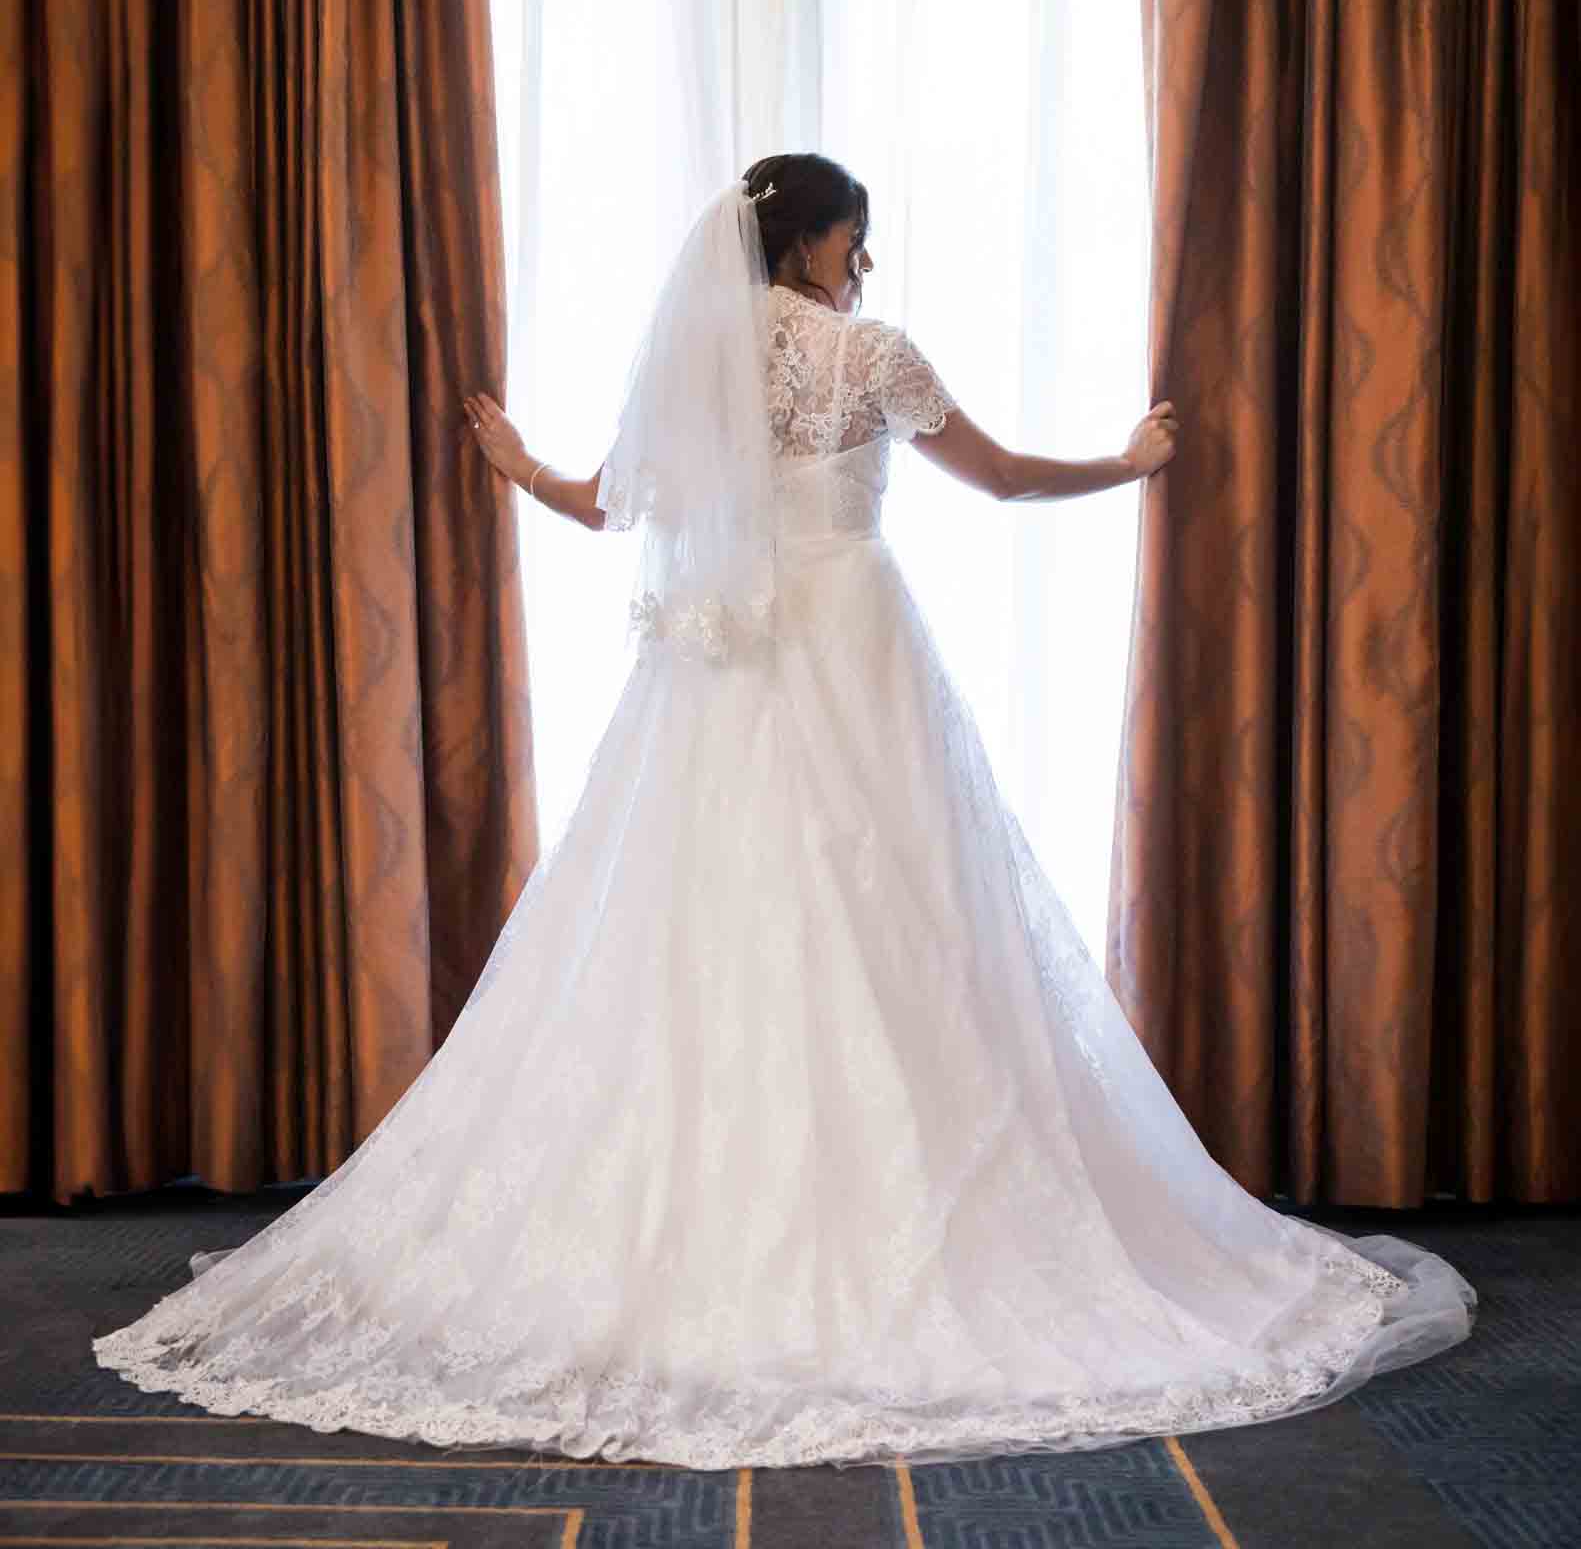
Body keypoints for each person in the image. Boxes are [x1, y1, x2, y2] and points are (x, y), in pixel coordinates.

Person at [94, 154, 1475, 1470]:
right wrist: (1129, 464)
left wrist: (515, 463)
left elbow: (600, 507)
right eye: (850, 236)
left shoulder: (694, 356)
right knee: (903, 916)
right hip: (850, 642)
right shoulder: (866, 352)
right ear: (813, 240)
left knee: (693, 927)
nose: (859, 260)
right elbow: (993, 477)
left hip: (713, 677)